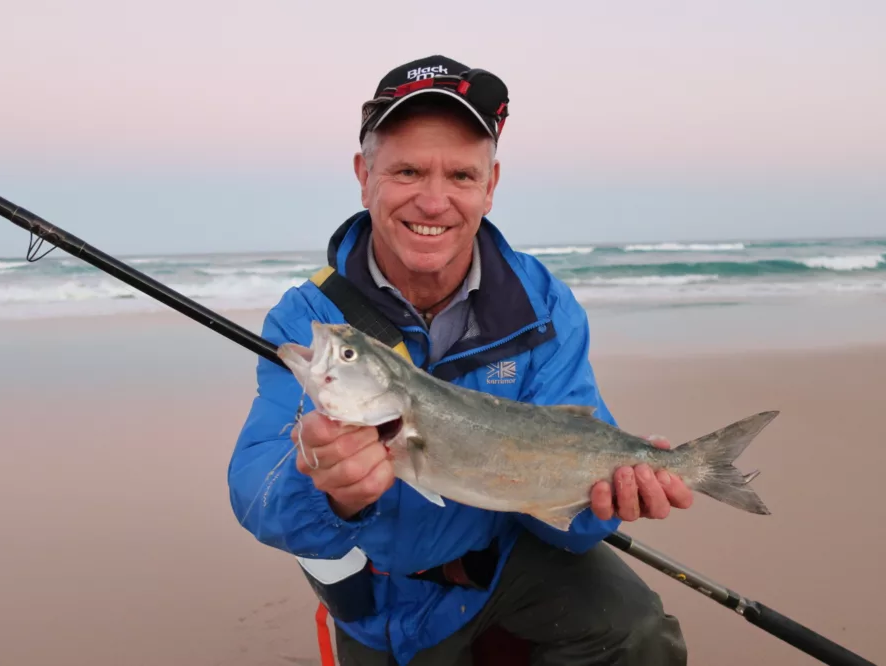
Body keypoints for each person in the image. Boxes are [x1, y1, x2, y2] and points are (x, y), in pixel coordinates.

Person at [228, 55, 693, 665]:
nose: (433, 200)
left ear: (491, 186)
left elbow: (571, 494)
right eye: (408, 170)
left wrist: (601, 501)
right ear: (364, 175)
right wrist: (325, 488)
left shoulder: (542, 304)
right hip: (374, 595)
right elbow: (255, 489)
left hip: (501, 568)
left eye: (462, 176)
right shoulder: (308, 315)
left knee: (640, 635)